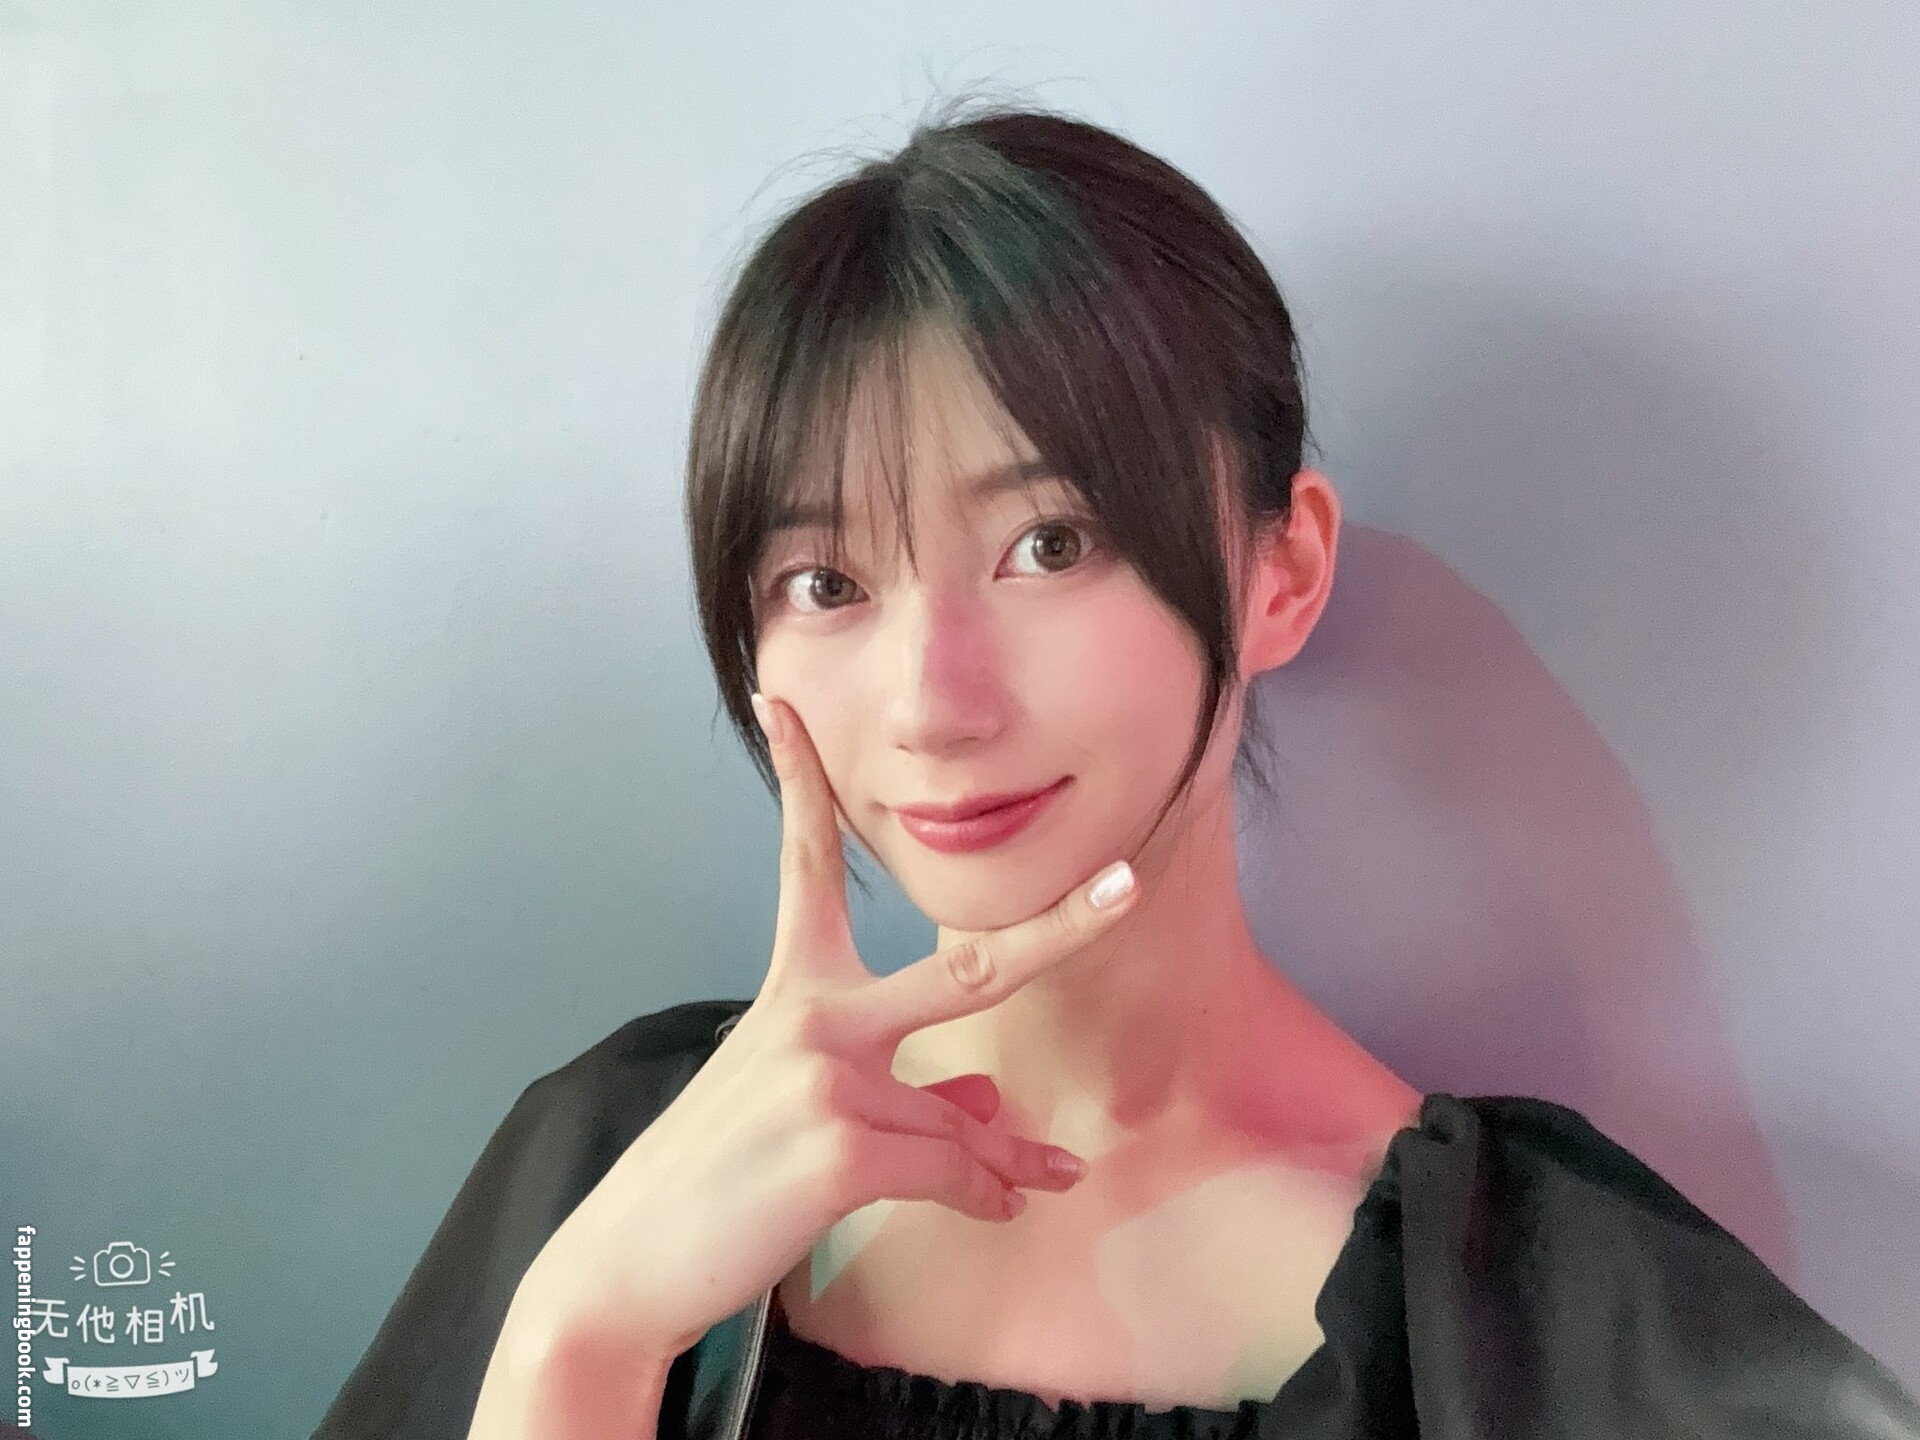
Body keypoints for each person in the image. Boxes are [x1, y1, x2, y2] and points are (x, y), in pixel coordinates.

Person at [313, 99, 1920, 1440]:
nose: (933, 704)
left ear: (1284, 568)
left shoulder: (1536, 1315)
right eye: (827, 581)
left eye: (1048, 543)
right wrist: (580, 1343)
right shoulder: (611, 1159)